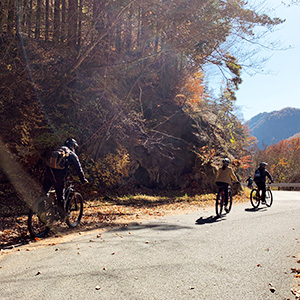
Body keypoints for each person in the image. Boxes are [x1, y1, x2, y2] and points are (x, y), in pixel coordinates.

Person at [38, 138, 88, 220]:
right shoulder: (71, 154)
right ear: (72, 146)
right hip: (58, 176)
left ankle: (41, 211)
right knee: (60, 195)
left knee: (44, 192)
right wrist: (83, 179)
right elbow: (78, 168)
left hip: (48, 172)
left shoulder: (58, 150)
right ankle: (62, 215)